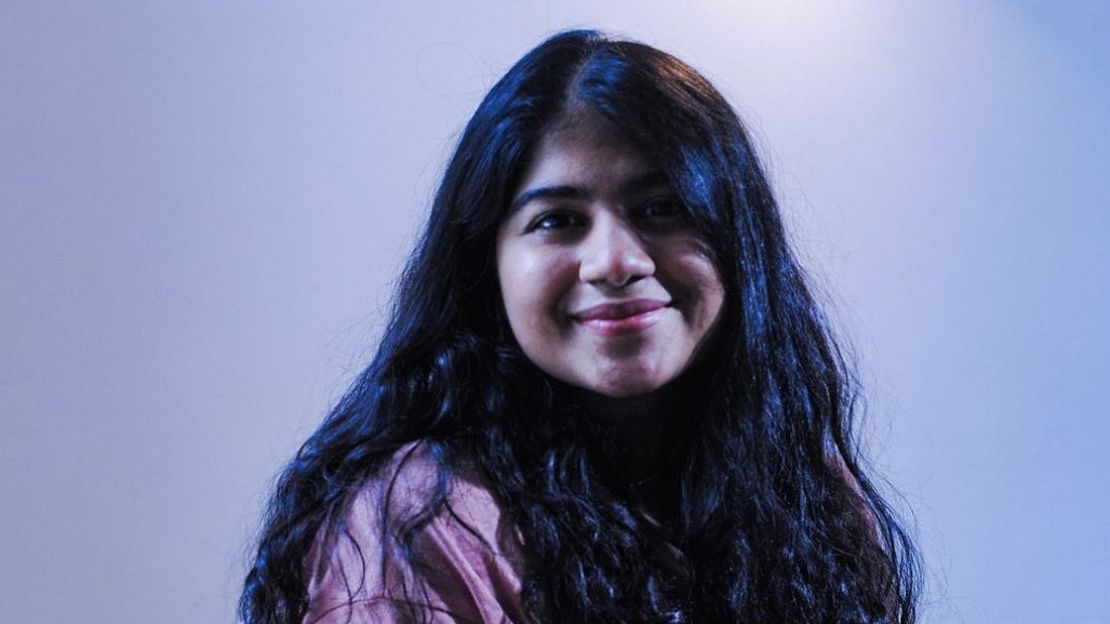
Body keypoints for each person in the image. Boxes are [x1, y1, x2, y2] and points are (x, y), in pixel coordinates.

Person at [240, 29, 920, 623]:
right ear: (487, 266)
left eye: (662, 208)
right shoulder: (426, 518)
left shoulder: (803, 491)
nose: (615, 262)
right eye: (558, 220)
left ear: (739, 241)